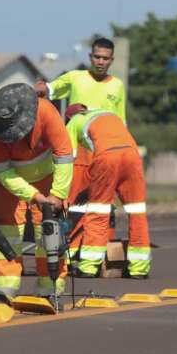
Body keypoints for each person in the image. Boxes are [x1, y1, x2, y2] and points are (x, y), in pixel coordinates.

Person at [33, 37, 127, 260]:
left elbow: (121, 123)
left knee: (102, 205)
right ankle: (72, 253)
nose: (100, 61)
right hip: (76, 155)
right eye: (97, 56)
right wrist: (40, 87)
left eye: (105, 58)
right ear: (90, 57)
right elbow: (49, 88)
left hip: (104, 155)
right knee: (73, 205)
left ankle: (99, 253)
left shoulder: (117, 86)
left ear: (111, 60)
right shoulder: (75, 78)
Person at [0, 83, 74, 303]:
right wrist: (33, 195)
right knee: (6, 230)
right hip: (10, 183)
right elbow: (3, 172)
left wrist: (58, 194)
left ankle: (49, 286)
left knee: (49, 232)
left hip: (47, 179)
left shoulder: (46, 112)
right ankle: (2, 288)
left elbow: (63, 154)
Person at [64, 103, 151, 278]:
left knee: (98, 211)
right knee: (137, 211)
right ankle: (139, 269)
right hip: (133, 156)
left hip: (107, 157)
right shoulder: (107, 114)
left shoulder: (74, 122)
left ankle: (88, 267)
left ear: (69, 117)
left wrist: (63, 190)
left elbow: (67, 159)